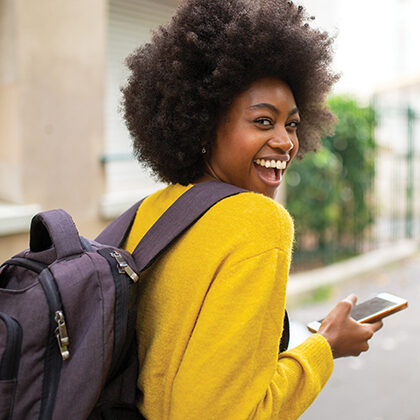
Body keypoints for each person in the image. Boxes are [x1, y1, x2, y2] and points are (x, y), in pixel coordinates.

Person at [122, 0, 383, 418]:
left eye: (292, 124)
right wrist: (326, 348)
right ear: (206, 124)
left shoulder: (153, 210)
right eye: (263, 122)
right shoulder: (258, 223)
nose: (285, 142)